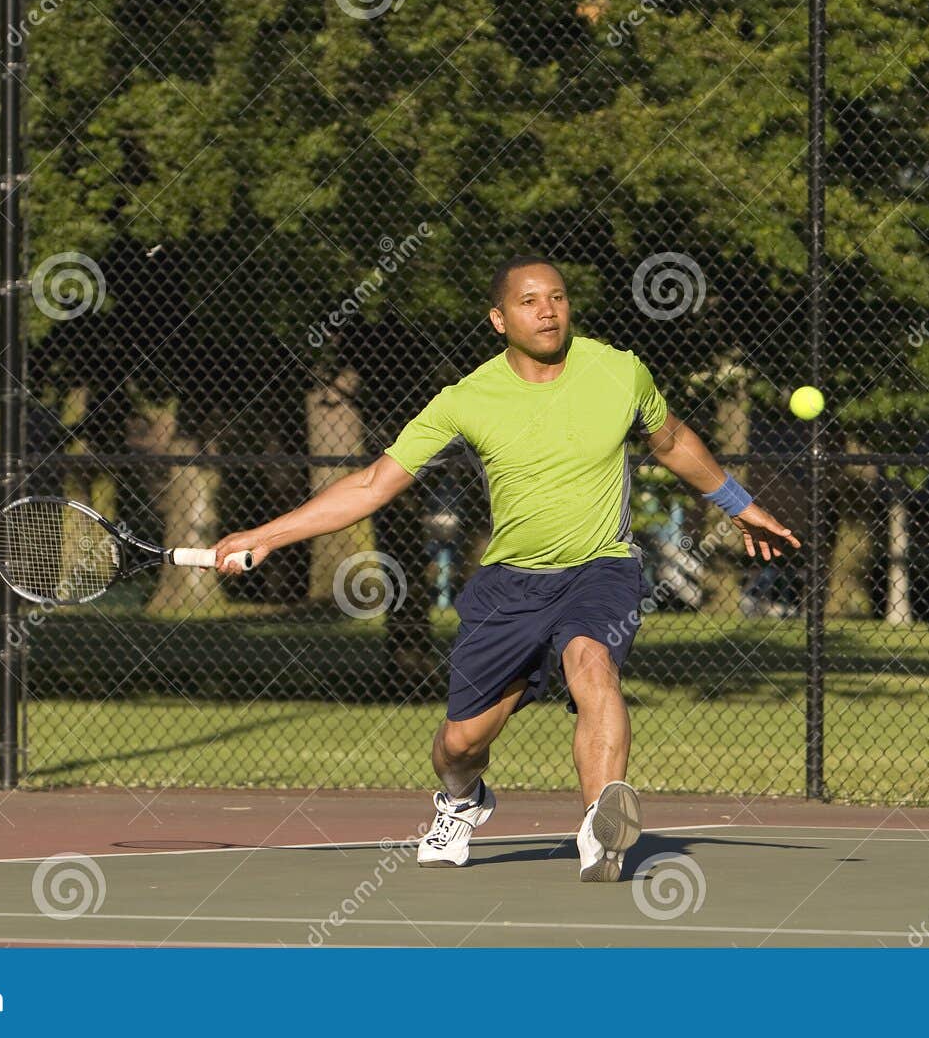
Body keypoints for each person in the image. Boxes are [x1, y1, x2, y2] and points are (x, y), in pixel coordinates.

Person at [213, 255, 798, 881]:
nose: (547, 309)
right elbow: (371, 483)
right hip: (510, 584)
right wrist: (268, 535)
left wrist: (739, 504)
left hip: (601, 567)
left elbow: (672, 439)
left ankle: (603, 825)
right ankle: (463, 799)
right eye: (528, 301)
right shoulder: (467, 399)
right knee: (461, 742)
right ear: (499, 319)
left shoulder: (619, 371)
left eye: (557, 297)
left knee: (590, 663)